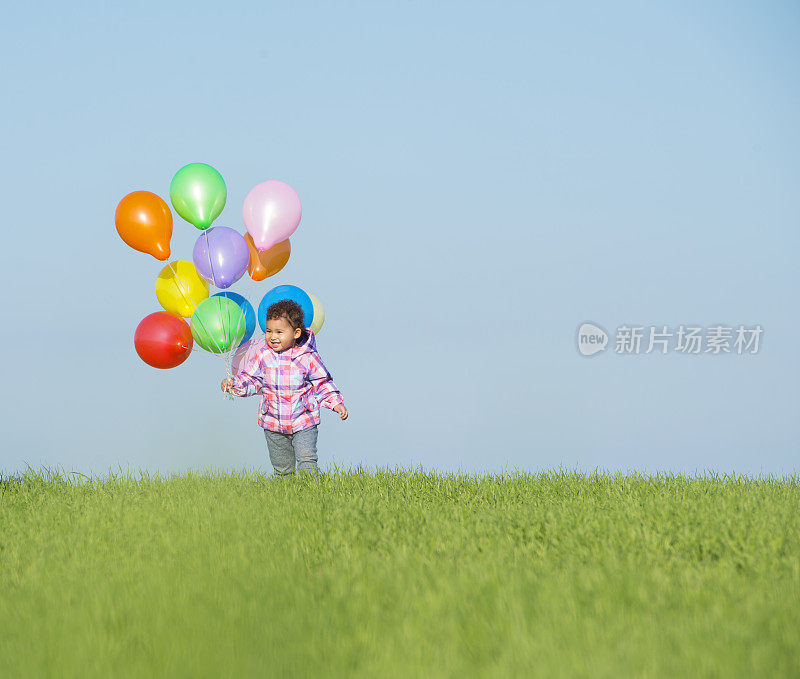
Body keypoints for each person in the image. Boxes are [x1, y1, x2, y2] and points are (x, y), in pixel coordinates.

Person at [221, 299, 348, 477]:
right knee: (282, 468)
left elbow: (322, 382)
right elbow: (252, 379)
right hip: (273, 422)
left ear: (296, 333)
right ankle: (285, 498)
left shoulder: (307, 357)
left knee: (307, 458)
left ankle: (312, 493)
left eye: (279, 332)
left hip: (303, 420)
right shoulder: (263, 355)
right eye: (269, 331)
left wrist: (335, 403)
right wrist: (234, 384)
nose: (273, 337)